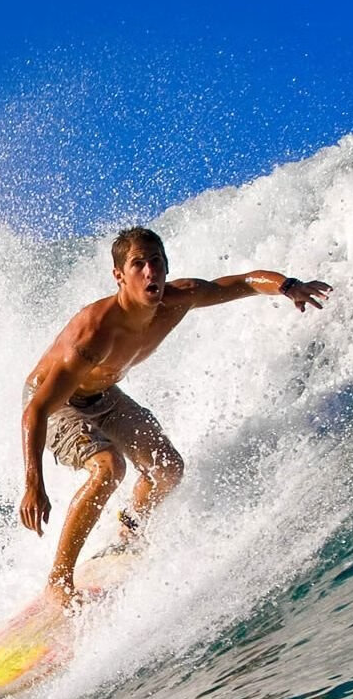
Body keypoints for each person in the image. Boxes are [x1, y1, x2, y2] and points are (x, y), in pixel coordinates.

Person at [19, 226, 332, 602]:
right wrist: (34, 484)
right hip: (56, 401)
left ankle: (129, 530)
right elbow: (36, 410)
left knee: (167, 467)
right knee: (108, 467)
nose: (150, 271)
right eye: (139, 264)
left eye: (157, 262)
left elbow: (242, 283)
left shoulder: (178, 299)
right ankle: (58, 581)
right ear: (119, 276)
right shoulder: (94, 334)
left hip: (102, 393)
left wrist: (287, 286)